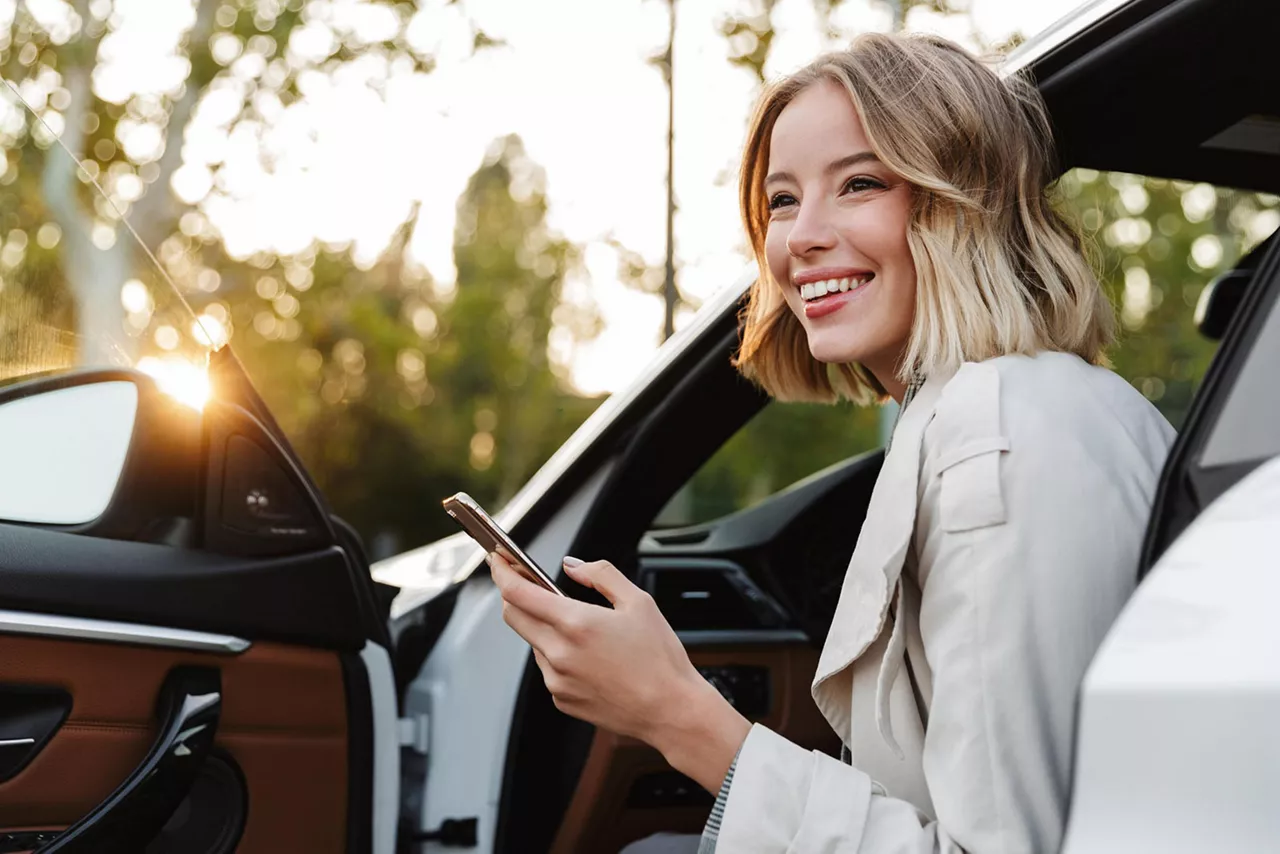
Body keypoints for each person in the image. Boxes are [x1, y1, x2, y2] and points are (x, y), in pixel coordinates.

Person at [487, 32, 1175, 854]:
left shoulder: (1001, 433)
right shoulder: (1003, 406)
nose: (800, 238)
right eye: (782, 200)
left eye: (858, 183)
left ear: (961, 203)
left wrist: (675, 712)